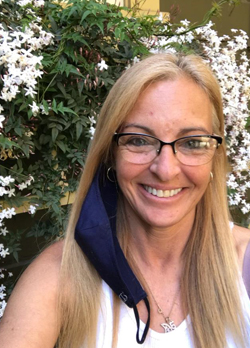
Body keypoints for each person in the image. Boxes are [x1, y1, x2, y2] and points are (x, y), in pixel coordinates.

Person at [0, 52, 250, 348]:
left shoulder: (244, 263)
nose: (166, 170)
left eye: (192, 143)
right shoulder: (59, 276)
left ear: (215, 155)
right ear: (110, 154)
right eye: (139, 140)